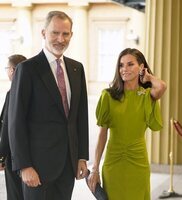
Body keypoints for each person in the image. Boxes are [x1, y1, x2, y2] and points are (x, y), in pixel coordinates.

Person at [8, 10, 89, 200]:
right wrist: (24, 165)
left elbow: (80, 117)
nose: (60, 39)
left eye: (65, 34)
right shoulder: (27, 69)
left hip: (67, 166)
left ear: (71, 35)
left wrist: (81, 157)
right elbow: (16, 121)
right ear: (44, 33)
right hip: (36, 168)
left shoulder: (77, 69)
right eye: (55, 33)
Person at [88, 48, 167, 200]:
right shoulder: (108, 96)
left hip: (138, 161)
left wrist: (148, 77)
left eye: (130, 64)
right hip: (113, 161)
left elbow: (162, 87)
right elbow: (102, 135)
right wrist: (95, 169)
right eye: (121, 65)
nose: (124, 69)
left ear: (141, 67)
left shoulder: (146, 96)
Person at [0, 54, 27, 200]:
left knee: (15, 195)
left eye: (7, 68)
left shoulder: (13, 93)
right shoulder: (33, 91)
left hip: (13, 156)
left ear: (12, 70)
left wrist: (1, 155)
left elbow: (7, 127)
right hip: (30, 156)